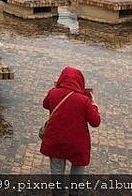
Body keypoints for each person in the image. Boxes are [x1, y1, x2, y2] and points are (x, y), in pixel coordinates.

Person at [40, 67, 101, 195]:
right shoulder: (84, 100)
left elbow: (46, 104)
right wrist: (94, 104)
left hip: (56, 139)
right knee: (78, 167)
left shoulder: (53, 93)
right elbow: (95, 122)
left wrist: (56, 88)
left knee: (57, 172)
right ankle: (74, 192)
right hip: (77, 143)